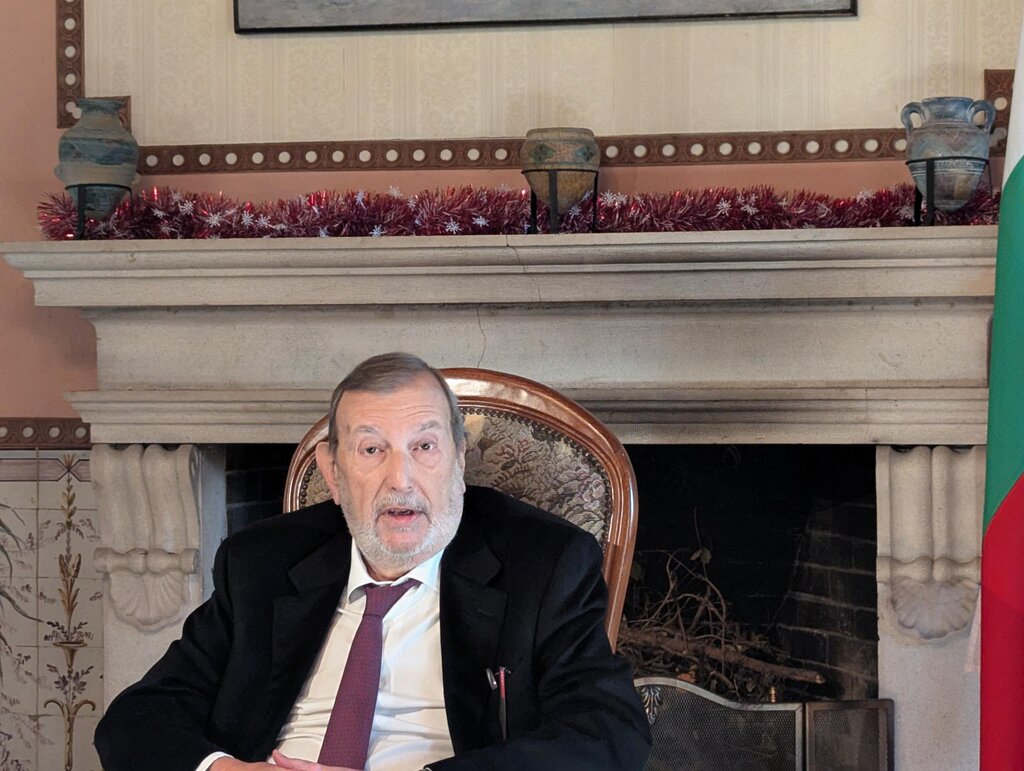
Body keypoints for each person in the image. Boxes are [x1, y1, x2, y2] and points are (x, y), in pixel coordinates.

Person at [95, 352, 652, 771]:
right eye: (371, 450)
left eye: (424, 447)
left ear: (459, 461)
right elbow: (136, 718)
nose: (400, 479)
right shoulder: (260, 563)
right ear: (333, 473)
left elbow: (609, 733)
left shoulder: (544, 564)